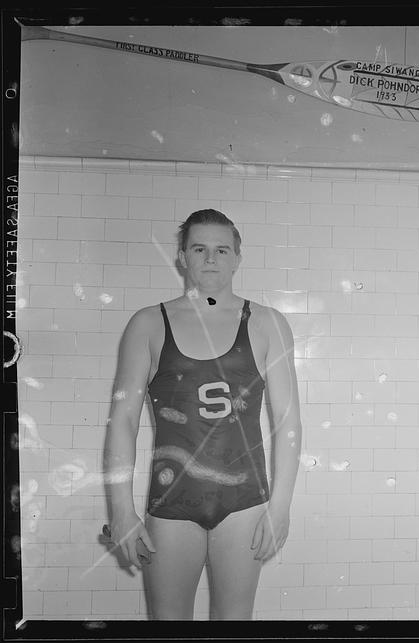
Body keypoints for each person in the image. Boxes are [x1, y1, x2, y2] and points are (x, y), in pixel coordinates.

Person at [103, 209, 301, 620]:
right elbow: (123, 420)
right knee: (168, 623)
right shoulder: (148, 324)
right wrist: (121, 511)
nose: (211, 258)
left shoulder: (267, 323)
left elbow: (288, 422)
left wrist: (280, 506)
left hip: (245, 502)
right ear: (181, 257)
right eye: (199, 248)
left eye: (221, 249)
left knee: (234, 623)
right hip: (172, 502)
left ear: (237, 258)